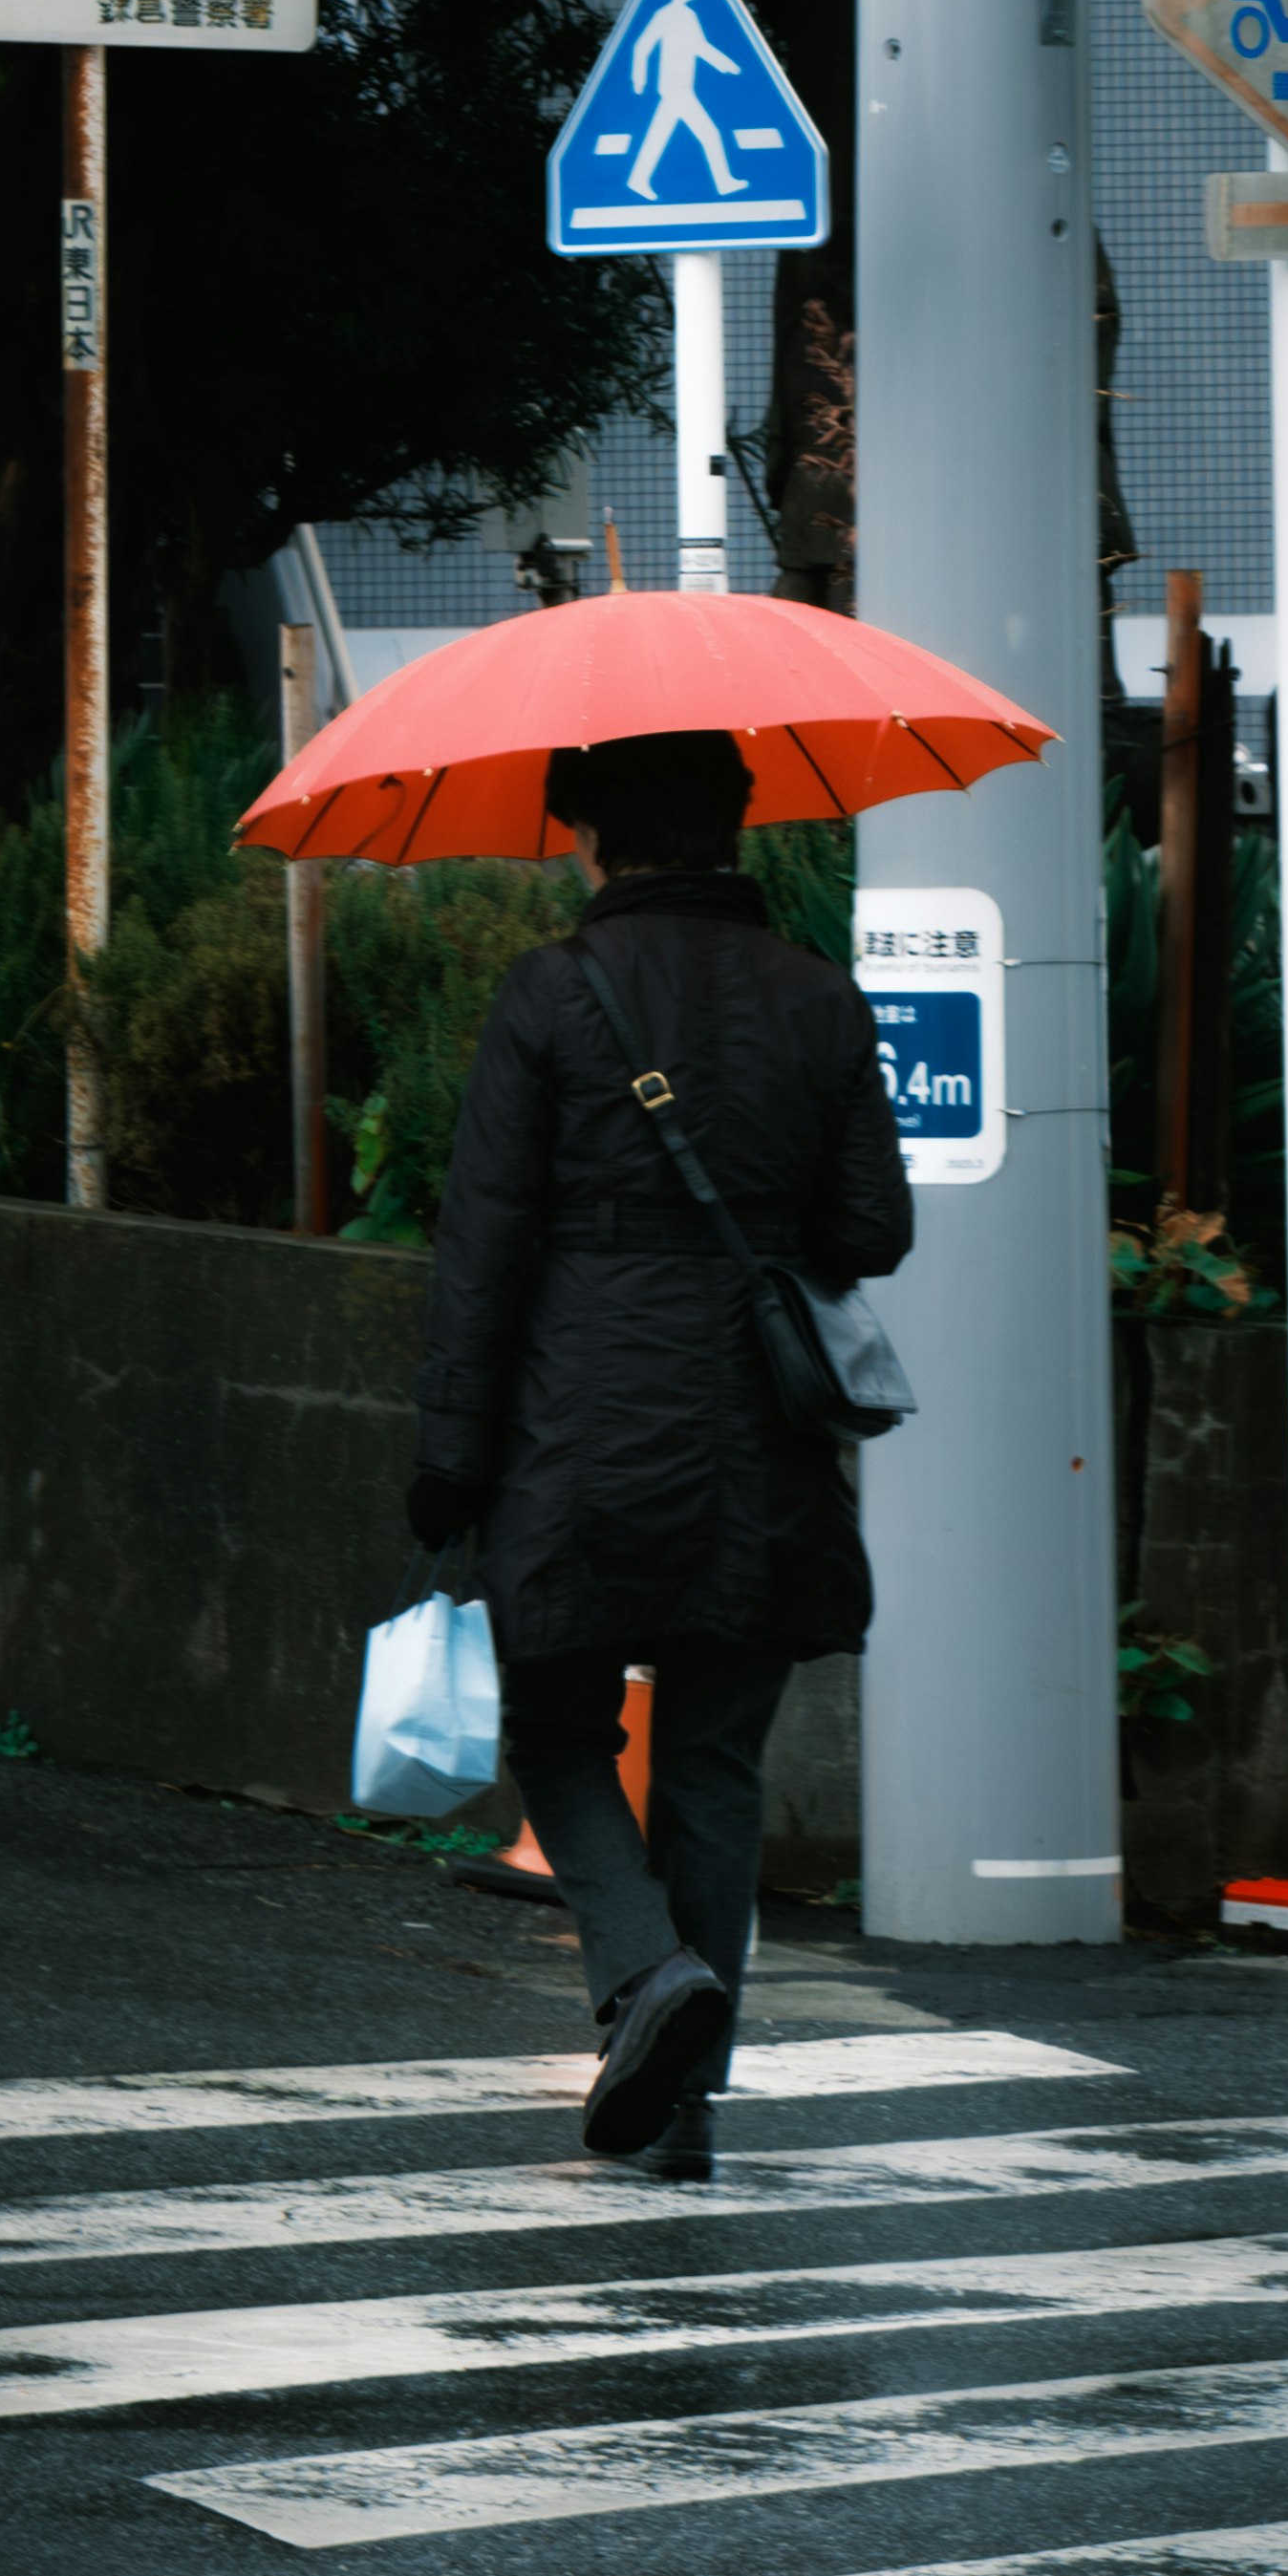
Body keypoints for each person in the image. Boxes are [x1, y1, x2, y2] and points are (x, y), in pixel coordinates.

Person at [407, 723, 912, 2178]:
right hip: (758, 1435)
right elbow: (873, 1231)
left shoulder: (554, 994)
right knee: (712, 1766)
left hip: (579, 1427)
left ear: (591, 836)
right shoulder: (821, 999)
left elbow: (483, 1246)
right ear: (738, 826)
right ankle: (686, 2107)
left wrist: (452, 1451)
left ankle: (645, 1972)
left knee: (560, 1735)